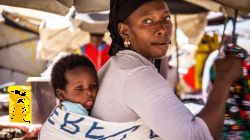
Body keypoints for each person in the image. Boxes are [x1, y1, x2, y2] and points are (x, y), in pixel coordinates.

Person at [91, 0, 242, 140]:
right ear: (124, 31)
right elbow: (197, 136)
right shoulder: (137, 74)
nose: (162, 29)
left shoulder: (121, 64)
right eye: (148, 21)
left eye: (166, 19)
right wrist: (224, 78)